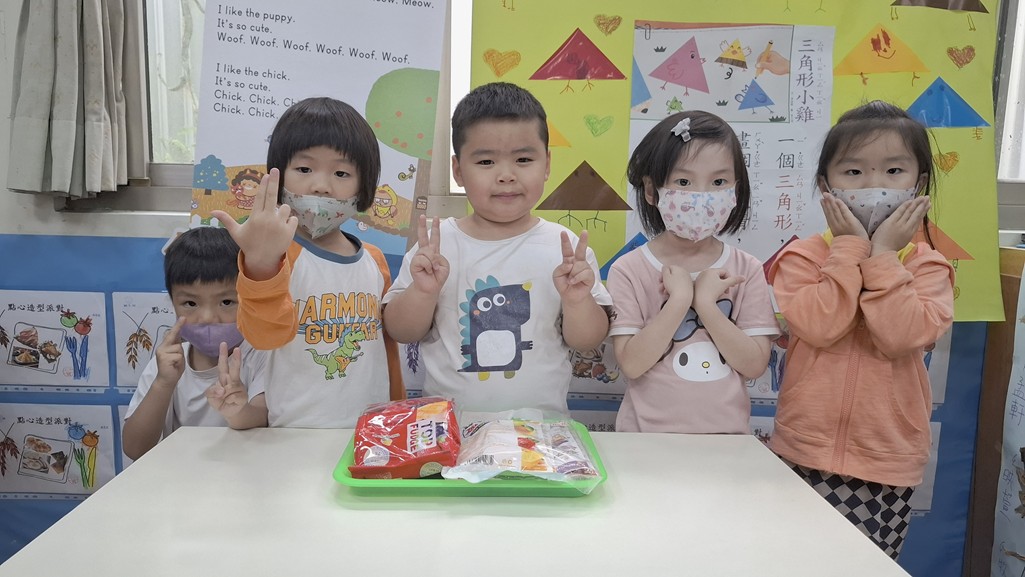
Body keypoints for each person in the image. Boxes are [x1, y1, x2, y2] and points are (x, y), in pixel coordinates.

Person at [766, 100, 955, 559]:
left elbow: (900, 336)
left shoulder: (928, 267)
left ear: (919, 184)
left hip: (886, 460)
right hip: (803, 450)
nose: (873, 185)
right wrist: (850, 248)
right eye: (853, 172)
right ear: (825, 186)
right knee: (789, 563)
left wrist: (885, 257)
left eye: (893, 171)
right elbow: (821, 326)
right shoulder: (802, 258)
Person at [382, 82, 612, 417]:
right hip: (451, 430)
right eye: (486, 161)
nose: (506, 175)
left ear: (547, 164)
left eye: (523, 159)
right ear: (458, 171)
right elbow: (401, 331)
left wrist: (578, 301)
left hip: (541, 431)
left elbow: (588, 341)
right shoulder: (436, 245)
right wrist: (422, 292)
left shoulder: (565, 249)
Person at [211, 97, 403, 428]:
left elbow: (386, 352)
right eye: (304, 169)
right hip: (294, 436)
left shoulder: (374, 260)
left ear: (364, 186)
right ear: (278, 177)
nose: (321, 186)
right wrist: (261, 265)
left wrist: (396, 410)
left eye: (341, 173)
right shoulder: (274, 259)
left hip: (372, 434)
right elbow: (264, 337)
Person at [606, 110, 779, 434]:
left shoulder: (747, 269)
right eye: (684, 182)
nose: (702, 196)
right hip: (644, 443)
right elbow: (631, 364)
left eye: (718, 182)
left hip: (727, 443)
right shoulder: (629, 269)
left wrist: (707, 306)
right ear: (651, 190)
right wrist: (679, 300)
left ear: (736, 190)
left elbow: (754, 364)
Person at [122, 227, 269, 460]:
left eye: (227, 301)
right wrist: (163, 383)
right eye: (190, 303)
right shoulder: (168, 364)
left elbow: (262, 416)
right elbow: (135, 448)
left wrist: (238, 411)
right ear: (172, 302)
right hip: (182, 478)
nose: (208, 317)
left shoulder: (261, 354)